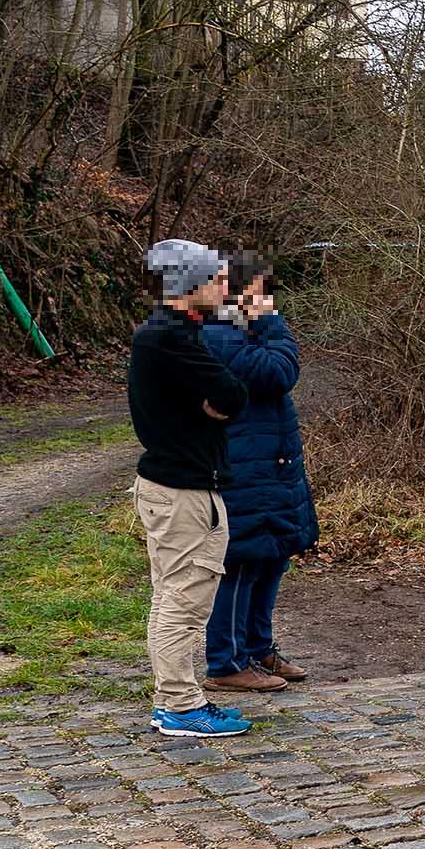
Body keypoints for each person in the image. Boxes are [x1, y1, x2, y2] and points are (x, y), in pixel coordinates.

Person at [127, 240, 251, 737]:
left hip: (177, 485)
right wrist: (218, 401)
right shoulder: (168, 337)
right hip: (181, 492)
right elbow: (234, 393)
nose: (225, 286)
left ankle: (174, 700)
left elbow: (225, 395)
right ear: (188, 285)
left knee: (172, 596)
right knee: (183, 600)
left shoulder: (176, 333)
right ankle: (180, 706)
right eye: (216, 278)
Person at [201, 250, 319, 697]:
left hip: (270, 467)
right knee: (240, 563)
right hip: (243, 468)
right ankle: (227, 662)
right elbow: (280, 369)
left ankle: (257, 648)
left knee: (271, 557)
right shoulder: (220, 335)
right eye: (259, 291)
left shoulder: (240, 331)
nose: (266, 300)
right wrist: (270, 322)